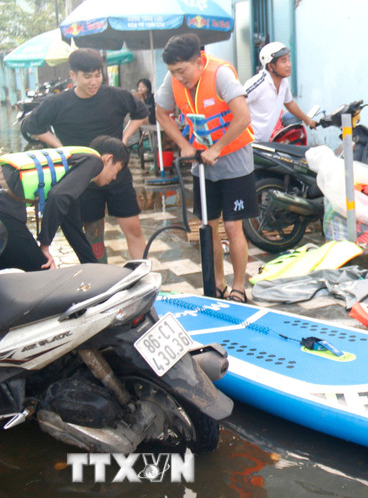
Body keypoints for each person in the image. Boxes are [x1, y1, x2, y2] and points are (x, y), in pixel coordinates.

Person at [154, 34, 257, 302]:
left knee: (233, 227)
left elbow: (243, 116)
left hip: (234, 160)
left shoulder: (221, 74)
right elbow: (161, 113)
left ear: (198, 62)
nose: (178, 77)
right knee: (207, 226)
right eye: (172, 72)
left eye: (182, 71)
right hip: (202, 165)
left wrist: (218, 147)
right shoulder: (173, 79)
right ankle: (217, 284)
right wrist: (183, 144)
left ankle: (238, 287)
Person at [22, 48, 149, 262]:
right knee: (92, 233)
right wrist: (60, 147)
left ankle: (143, 278)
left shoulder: (115, 96)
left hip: (116, 173)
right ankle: (101, 283)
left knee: (134, 229)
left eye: (97, 75)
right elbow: (30, 125)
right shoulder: (59, 103)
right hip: (83, 179)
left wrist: (125, 138)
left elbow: (141, 111)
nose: (93, 82)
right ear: (73, 76)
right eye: (87, 76)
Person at [0, 136, 129, 270]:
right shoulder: (94, 162)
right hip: (4, 210)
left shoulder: (73, 167)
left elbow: (73, 228)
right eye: (117, 171)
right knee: (42, 267)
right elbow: (58, 196)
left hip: (5, 208)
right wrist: (45, 245)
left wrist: (94, 268)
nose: (114, 178)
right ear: (108, 159)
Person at [243, 42, 319, 142]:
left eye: (289, 59)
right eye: (283, 61)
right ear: (271, 66)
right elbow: (235, 104)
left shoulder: (284, 82)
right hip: (248, 143)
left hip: (264, 143)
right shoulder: (258, 84)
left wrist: (307, 120)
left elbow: (289, 103)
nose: (289, 65)